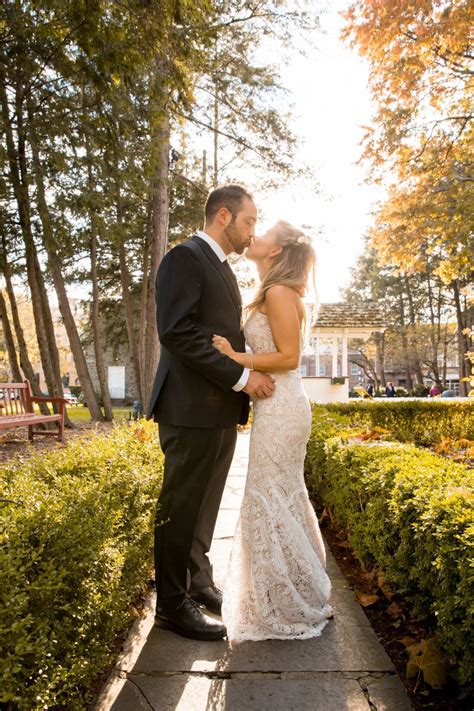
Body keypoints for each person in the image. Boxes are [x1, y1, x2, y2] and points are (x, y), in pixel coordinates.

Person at [147, 185, 275, 641]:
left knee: (205, 506)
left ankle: (198, 582)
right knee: (181, 505)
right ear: (224, 216)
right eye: (248, 221)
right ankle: (171, 604)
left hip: (219, 409)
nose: (251, 231)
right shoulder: (184, 259)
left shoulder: (220, 268)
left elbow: (221, 334)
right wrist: (242, 378)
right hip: (189, 407)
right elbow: (177, 333)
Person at [212, 221, 332, 642]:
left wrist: (234, 356)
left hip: (282, 408)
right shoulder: (274, 291)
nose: (254, 237)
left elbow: (288, 357)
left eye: (262, 233)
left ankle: (287, 600)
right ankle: (289, 591)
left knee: (270, 494)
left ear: (277, 250)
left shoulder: (281, 293)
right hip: (276, 407)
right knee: (277, 493)